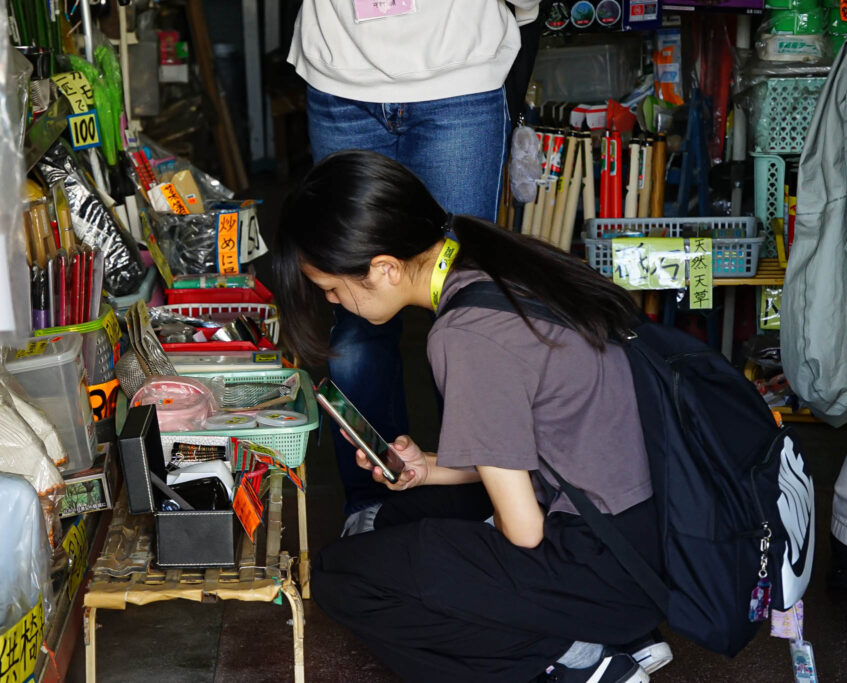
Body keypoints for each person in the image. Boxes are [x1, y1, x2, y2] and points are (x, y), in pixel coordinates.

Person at [274, 150, 671, 682]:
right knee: (394, 520)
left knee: (342, 579)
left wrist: (472, 553)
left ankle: (579, 660)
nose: (334, 302)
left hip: (602, 565)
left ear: (384, 268)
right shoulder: (497, 262)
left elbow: (523, 531)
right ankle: (618, 635)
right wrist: (429, 468)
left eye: (330, 289)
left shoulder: (466, 334)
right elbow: (536, 444)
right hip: (647, 539)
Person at [287, 0, 541, 521]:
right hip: (340, 71)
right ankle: (372, 509)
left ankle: (491, 505)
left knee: (470, 314)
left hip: (458, 72)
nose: (324, 296)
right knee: (356, 320)